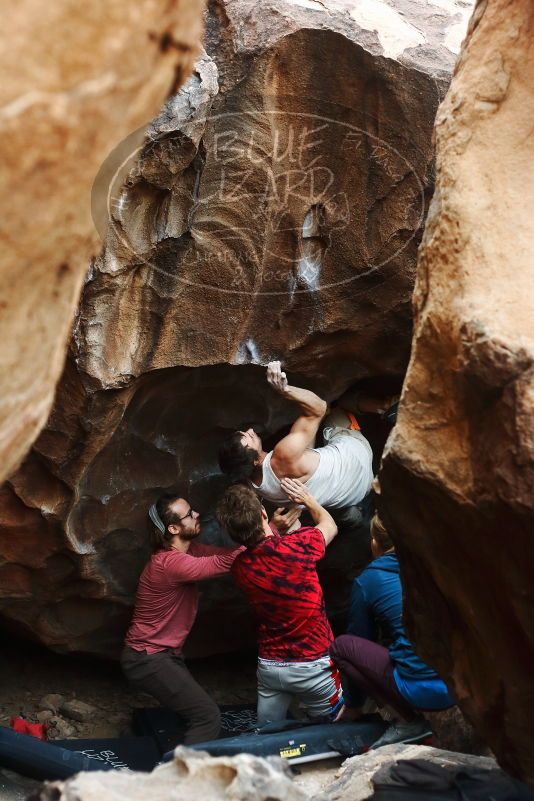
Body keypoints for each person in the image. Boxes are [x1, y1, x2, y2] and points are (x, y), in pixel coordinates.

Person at [216, 478, 344, 725]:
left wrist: (276, 529)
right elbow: (330, 525)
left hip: (272, 668)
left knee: (268, 736)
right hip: (314, 665)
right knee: (333, 727)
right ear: (263, 513)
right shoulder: (300, 545)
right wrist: (308, 499)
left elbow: (263, 551)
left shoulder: (240, 568)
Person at [121, 493, 243, 745]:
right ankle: (180, 780)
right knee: (207, 716)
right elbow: (227, 562)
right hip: (147, 658)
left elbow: (230, 554)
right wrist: (262, 532)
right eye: (189, 514)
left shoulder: (191, 551)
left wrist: (274, 528)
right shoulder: (169, 564)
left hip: (164, 656)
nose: (197, 514)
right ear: (174, 528)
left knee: (192, 714)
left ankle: (171, 762)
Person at [330, 514, 455, 749]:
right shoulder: (440, 569)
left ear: (375, 543)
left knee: (342, 646)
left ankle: (407, 720)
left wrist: (354, 704)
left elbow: (360, 639)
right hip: (459, 686)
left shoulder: (369, 580)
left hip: (419, 690)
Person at [218, 362, 394, 526]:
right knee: (338, 406)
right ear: (254, 461)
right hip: (359, 463)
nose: (250, 431)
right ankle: (386, 406)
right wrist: (285, 390)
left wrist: (314, 425)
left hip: (350, 496)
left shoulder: (251, 485)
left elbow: (305, 452)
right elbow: (319, 408)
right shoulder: (283, 455)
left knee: (321, 495)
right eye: (247, 439)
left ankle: (350, 518)